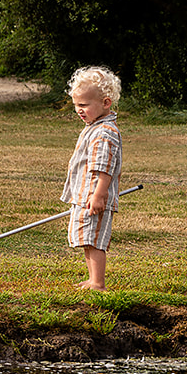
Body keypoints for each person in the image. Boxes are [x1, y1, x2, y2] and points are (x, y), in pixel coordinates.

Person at [62, 65, 123, 290]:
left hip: (94, 196)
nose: (79, 110)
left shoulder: (104, 132)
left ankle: (98, 282)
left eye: (84, 105)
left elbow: (104, 167)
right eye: (77, 105)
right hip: (84, 195)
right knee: (87, 237)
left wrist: (99, 195)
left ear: (106, 103)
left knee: (95, 239)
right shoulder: (93, 126)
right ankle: (91, 278)